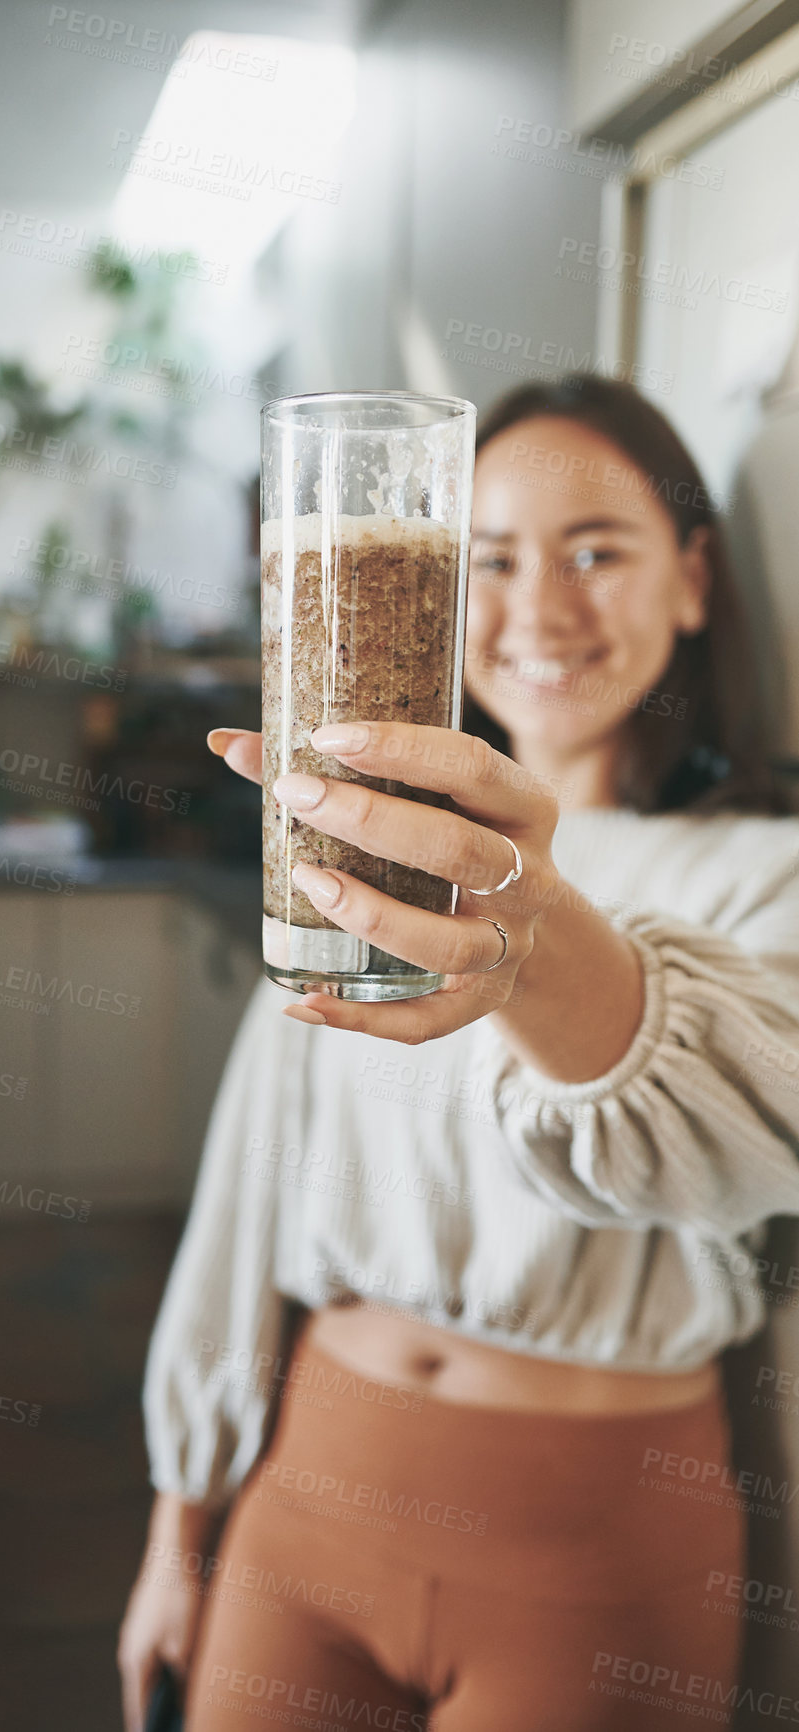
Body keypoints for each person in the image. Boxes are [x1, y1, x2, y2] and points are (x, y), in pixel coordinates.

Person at [117, 374, 799, 1732]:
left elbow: (758, 1137)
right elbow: (248, 1207)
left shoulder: (762, 875)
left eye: (595, 551)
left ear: (690, 581)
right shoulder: (359, 861)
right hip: (305, 1493)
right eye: (487, 559)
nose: (537, 607)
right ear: (433, 589)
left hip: (593, 1545)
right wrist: (173, 1537)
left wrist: (536, 948)